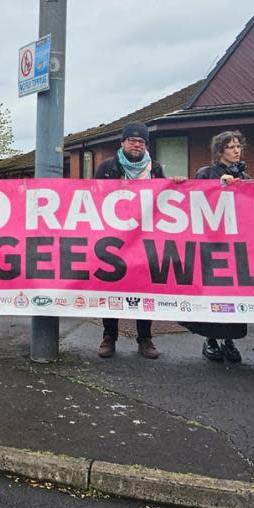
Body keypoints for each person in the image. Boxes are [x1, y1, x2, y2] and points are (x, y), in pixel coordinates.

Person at [95, 122, 166, 359]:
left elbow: (165, 199)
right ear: (123, 143)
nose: (137, 145)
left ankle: (145, 338)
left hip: (145, 238)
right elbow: (93, 198)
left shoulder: (155, 169)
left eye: (141, 141)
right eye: (132, 140)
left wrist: (176, 184)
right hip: (113, 238)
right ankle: (109, 336)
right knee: (112, 285)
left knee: (145, 287)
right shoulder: (106, 167)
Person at [186, 130, 250, 362]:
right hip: (212, 244)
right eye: (231, 147)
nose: (236, 151)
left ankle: (229, 341)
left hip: (234, 244)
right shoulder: (206, 173)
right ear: (220, 150)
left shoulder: (244, 174)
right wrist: (218, 186)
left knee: (233, 296)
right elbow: (194, 199)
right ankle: (210, 340)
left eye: (238, 146)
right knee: (213, 294)